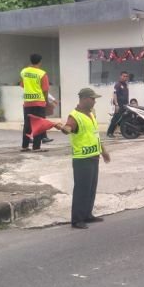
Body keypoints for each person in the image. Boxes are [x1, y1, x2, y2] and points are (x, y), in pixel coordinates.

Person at [54, 88, 111, 229]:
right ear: (84, 99)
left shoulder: (91, 114)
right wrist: (62, 127)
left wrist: (103, 151)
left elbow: (95, 134)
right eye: (93, 99)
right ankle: (77, 219)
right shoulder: (74, 116)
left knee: (91, 188)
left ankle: (87, 215)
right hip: (82, 159)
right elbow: (69, 128)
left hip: (93, 156)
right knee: (82, 189)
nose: (94, 101)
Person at [20, 53, 50, 152]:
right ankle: (36, 147)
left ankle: (24, 146)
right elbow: (45, 89)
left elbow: (22, 85)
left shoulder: (24, 71)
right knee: (38, 124)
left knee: (27, 124)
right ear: (40, 62)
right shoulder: (42, 73)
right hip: (39, 103)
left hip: (27, 102)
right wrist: (46, 101)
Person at [107, 71, 130, 138]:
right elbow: (114, 94)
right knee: (116, 118)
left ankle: (125, 131)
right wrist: (116, 104)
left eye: (126, 76)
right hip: (119, 105)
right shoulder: (118, 84)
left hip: (125, 105)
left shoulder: (125, 85)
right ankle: (109, 132)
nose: (125, 77)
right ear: (120, 76)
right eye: (124, 76)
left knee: (123, 118)